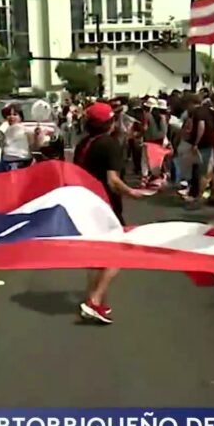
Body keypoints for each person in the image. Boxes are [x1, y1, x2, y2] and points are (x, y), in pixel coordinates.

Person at [73, 102, 144, 324]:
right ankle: (93, 300)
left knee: (95, 256)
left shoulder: (83, 144)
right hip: (106, 207)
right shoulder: (109, 144)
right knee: (118, 254)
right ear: (110, 123)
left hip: (85, 203)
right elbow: (113, 181)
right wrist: (132, 191)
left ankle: (93, 299)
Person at [0, 104, 42, 172]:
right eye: (9, 114)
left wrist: (37, 136)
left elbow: (35, 147)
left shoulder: (26, 130)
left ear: (20, 117)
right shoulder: (4, 130)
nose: (11, 117)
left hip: (22, 162)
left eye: (15, 114)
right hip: (6, 163)